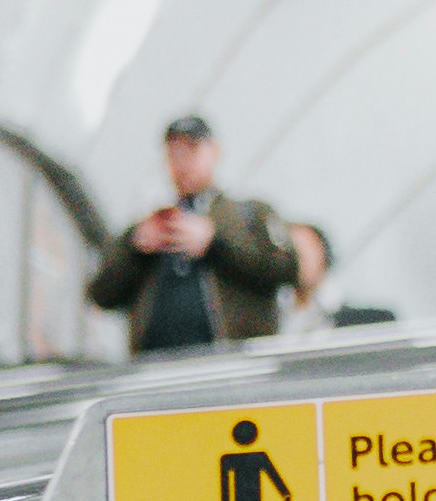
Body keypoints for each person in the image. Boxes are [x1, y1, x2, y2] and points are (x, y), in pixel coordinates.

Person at [87, 115, 300, 355]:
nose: (182, 163)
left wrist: (215, 245)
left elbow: (287, 268)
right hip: (155, 368)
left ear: (214, 151)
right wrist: (135, 249)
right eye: (173, 155)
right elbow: (101, 295)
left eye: (191, 151)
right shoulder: (151, 226)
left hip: (232, 366)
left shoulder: (250, 214)